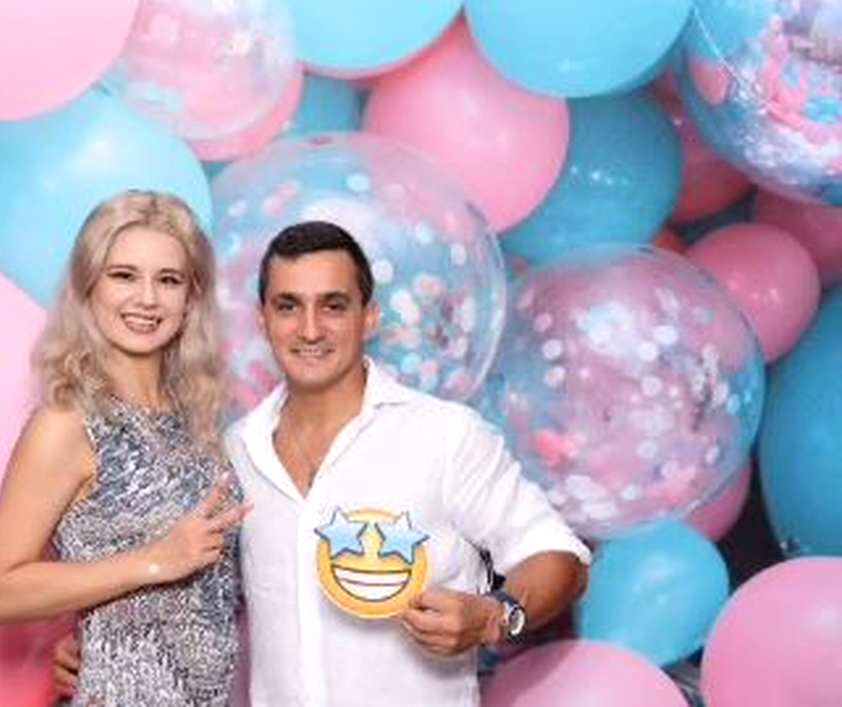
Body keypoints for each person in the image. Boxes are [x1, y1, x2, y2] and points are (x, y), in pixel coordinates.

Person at [55, 220, 589, 706]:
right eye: (288, 306)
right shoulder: (234, 452)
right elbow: (200, 596)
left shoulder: (447, 436)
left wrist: (495, 616)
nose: (310, 330)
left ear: (369, 316)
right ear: (264, 319)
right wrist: (111, 648)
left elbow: (559, 557)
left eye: (333, 306)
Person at [0, 190, 250, 706]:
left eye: (168, 280)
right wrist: (154, 560)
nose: (147, 299)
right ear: (88, 287)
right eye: (123, 275)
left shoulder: (199, 420)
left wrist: (100, 631)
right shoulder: (66, 423)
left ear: (191, 298)